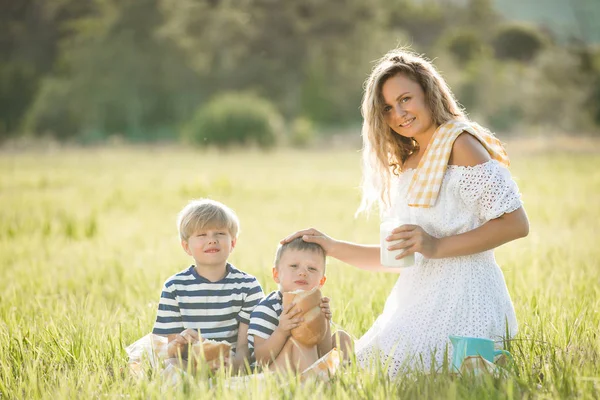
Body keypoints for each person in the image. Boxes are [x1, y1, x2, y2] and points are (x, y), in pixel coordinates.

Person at [281, 48, 529, 377]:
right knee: (353, 372)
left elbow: (516, 223)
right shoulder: (411, 162)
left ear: (429, 93)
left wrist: (435, 246)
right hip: (416, 300)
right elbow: (396, 257)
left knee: (421, 375)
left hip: (466, 298)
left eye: (405, 99)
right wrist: (330, 245)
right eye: (387, 107)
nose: (399, 113)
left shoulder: (461, 144)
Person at [152, 199, 264, 373]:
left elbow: (244, 347)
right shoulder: (174, 287)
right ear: (186, 247)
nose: (212, 240)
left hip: (231, 364)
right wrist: (180, 342)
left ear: (233, 243)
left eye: (219, 233)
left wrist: (233, 365)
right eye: (202, 235)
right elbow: (173, 353)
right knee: (172, 368)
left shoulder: (248, 286)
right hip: (190, 364)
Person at [247, 238, 354, 373]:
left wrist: (324, 322)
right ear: (276, 274)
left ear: (321, 281)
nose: (303, 272)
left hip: (311, 365)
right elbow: (261, 359)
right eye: (294, 266)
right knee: (301, 343)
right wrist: (281, 331)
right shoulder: (267, 308)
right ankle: (316, 384)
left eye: (312, 268)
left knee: (341, 337)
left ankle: (340, 377)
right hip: (273, 372)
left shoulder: (316, 305)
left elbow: (324, 352)